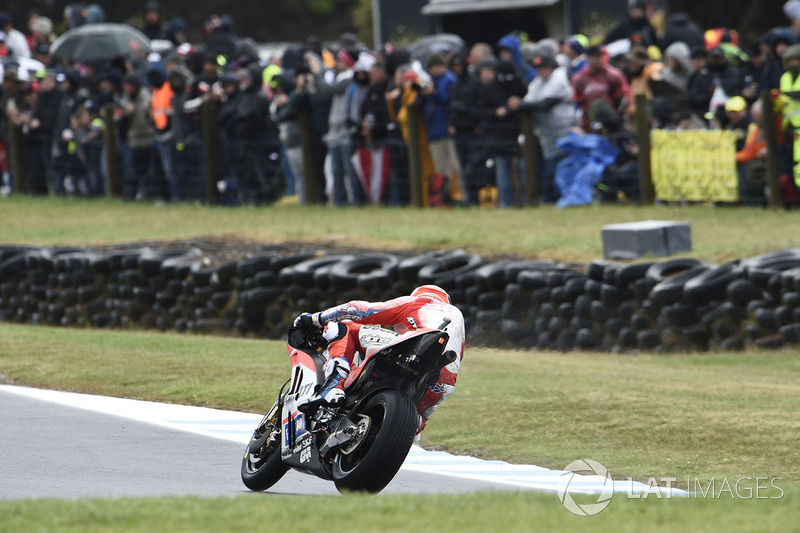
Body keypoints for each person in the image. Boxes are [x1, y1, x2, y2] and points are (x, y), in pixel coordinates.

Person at [293, 284, 465, 436]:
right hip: (443, 381)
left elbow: (361, 310)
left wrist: (316, 319)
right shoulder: (457, 320)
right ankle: (412, 424)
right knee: (414, 425)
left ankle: (333, 386)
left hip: (412, 352)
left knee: (345, 326)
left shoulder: (420, 302)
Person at [508, 51, 576, 204]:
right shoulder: (537, 82)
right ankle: (552, 198)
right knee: (549, 169)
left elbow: (545, 105)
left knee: (562, 167)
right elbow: (528, 102)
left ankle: (564, 198)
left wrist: (520, 104)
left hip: (562, 132)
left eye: (544, 67)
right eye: (538, 68)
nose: (541, 70)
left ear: (552, 67)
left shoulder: (559, 79)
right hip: (545, 135)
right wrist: (518, 104)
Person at [423, 53, 464, 205]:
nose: (435, 69)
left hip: (448, 128)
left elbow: (447, 99)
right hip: (433, 129)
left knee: (455, 166)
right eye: (432, 67)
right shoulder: (428, 81)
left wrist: (433, 92)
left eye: (438, 66)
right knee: (440, 168)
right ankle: (442, 198)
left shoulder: (450, 79)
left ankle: (460, 196)